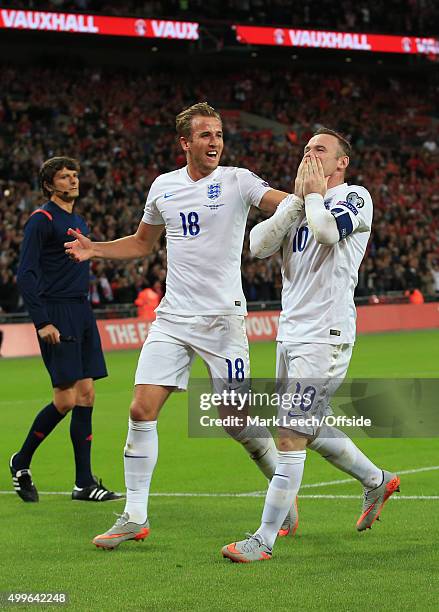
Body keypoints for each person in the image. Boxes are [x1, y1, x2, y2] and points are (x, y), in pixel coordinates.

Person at [64, 102, 304, 549]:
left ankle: (282, 488)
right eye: (205, 135)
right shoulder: (164, 187)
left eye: (218, 134)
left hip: (223, 321)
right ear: (185, 142)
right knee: (140, 410)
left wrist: (309, 198)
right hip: (173, 317)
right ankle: (135, 516)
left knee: (235, 420)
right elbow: (141, 243)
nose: (214, 142)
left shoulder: (238, 179)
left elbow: (283, 204)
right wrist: (94, 249)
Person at [222, 128, 400, 562]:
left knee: (290, 433)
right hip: (291, 333)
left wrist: (315, 197)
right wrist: (297, 202)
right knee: (309, 427)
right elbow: (258, 245)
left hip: (326, 334)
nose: (309, 154)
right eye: (306, 149)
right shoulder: (299, 204)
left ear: (341, 162)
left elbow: (325, 234)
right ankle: (377, 481)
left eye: (320, 149)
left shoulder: (355, 197)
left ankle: (263, 539)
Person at [11, 156, 121, 503]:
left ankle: (84, 483)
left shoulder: (78, 220)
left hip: (81, 310)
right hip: (56, 311)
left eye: (74, 175)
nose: (72, 180)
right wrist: (42, 320)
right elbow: (25, 274)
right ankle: (21, 460)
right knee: (66, 398)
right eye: (64, 176)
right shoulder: (41, 221)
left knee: (87, 395)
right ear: (49, 185)